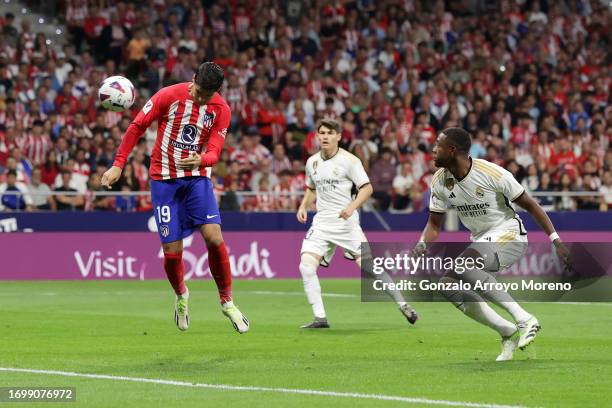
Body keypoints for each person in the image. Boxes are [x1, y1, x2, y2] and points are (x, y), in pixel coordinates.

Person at [101, 62, 249, 334]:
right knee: (172, 252)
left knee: (215, 237)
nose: (203, 99)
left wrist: (203, 158)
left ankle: (227, 300)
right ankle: (181, 295)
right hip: (163, 181)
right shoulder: (168, 96)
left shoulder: (221, 110)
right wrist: (118, 164)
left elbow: (215, 150)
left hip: (197, 179)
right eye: (200, 92)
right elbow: (136, 127)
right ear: (193, 79)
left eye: (209, 95)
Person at [417, 127, 571, 361]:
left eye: (438, 145)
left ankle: (524, 319)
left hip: (509, 234)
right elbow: (434, 225)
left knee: (464, 265)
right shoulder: (439, 181)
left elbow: (531, 205)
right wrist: (421, 243)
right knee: (447, 285)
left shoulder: (491, 173)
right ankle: (506, 331)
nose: (433, 149)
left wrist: (555, 240)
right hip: (482, 240)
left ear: (452, 150)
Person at [296, 119, 418, 329]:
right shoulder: (312, 162)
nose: (325, 136)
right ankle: (320, 318)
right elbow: (311, 188)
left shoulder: (350, 161)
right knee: (306, 266)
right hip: (322, 223)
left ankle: (403, 305)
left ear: (338, 137)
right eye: (321, 133)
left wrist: (352, 207)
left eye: (329, 133)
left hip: (346, 222)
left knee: (369, 267)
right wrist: (303, 206)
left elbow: (367, 188)